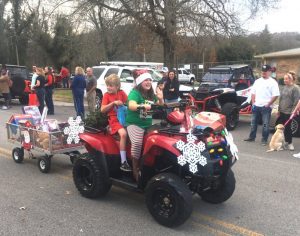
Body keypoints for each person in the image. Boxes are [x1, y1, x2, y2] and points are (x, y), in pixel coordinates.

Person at [126, 72, 164, 181]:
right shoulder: (135, 93)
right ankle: (135, 170)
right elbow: (131, 105)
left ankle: (149, 167)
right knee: (137, 144)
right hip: (134, 124)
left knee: (155, 143)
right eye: (145, 80)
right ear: (140, 82)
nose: (148, 82)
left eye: (150, 80)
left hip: (147, 125)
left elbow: (160, 104)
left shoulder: (151, 94)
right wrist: (141, 106)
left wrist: (160, 98)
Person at [244, 64, 280, 145]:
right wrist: (253, 103)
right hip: (256, 106)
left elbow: (276, 95)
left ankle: (264, 140)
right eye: (263, 71)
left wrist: (269, 104)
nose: (264, 72)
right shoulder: (257, 81)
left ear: (270, 72)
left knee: (265, 124)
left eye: (266, 71)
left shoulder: (273, 82)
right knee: (253, 123)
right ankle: (251, 137)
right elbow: (253, 93)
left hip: (266, 107)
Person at [101, 74, 130, 172]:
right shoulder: (106, 95)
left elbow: (129, 103)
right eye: (107, 85)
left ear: (117, 86)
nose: (108, 87)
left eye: (111, 85)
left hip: (125, 117)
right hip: (114, 119)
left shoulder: (122, 93)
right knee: (123, 134)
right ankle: (124, 162)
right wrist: (113, 103)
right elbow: (102, 109)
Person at [275, 72, 300, 151]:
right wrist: (278, 110)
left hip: (289, 112)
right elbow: (281, 99)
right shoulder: (284, 87)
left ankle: (289, 143)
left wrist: (293, 112)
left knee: (288, 128)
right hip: (282, 111)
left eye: (286, 79)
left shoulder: (295, 88)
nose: (284, 80)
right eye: (284, 79)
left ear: (291, 79)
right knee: (279, 127)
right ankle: (281, 142)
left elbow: (296, 101)